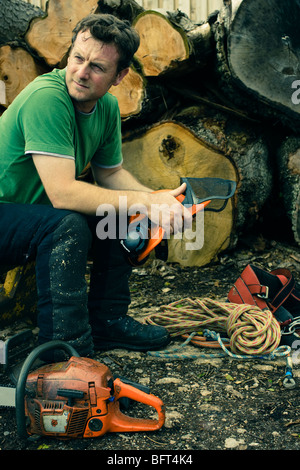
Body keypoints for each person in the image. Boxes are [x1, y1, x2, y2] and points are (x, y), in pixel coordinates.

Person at [0, 14, 191, 360]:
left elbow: (111, 174)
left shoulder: (106, 108)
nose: (82, 72)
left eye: (97, 67)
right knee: (67, 226)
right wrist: (146, 203)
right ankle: (65, 351)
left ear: (119, 77)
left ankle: (107, 320)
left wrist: (157, 201)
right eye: (77, 58)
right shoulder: (47, 98)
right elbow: (63, 194)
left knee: (118, 215)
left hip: (31, 216)